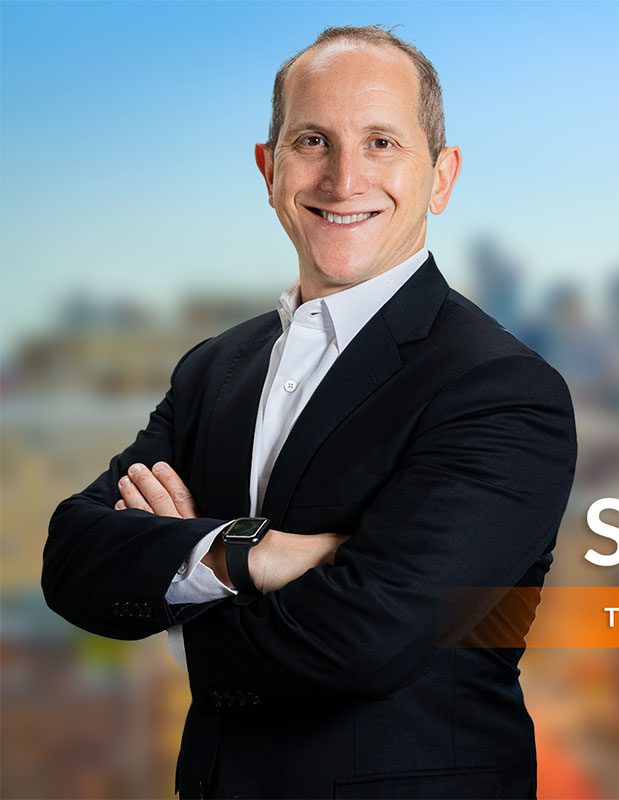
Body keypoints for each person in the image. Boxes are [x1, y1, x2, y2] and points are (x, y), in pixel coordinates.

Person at [41, 25, 576, 800]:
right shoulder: (214, 370)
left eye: (384, 142)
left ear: (442, 177)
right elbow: (74, 559)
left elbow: (370, 639)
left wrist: (178, 600)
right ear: (269, 169)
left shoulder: (501, 389)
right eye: (312, 140)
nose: (344, 177)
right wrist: (243, 554)